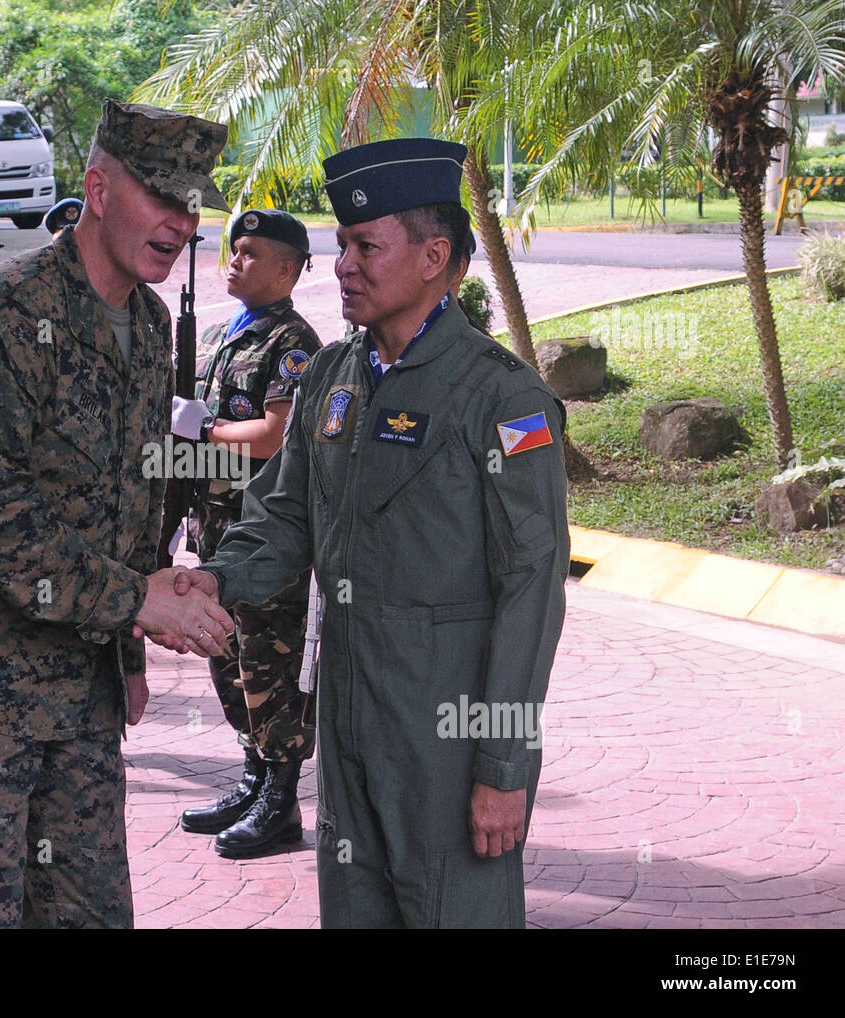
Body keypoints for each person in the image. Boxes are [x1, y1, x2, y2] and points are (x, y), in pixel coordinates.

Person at [0, 99, 236, 929]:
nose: (181, 223)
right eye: (163, 200)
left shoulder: (146, 322)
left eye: (191, 205)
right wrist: (132, 600)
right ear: (98, 189)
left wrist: (130, 648)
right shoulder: (1, 315)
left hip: (76, 700)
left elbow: (132, 494)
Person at [180, 137, 570, 927]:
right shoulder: (333, 375)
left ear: (434, 257)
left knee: (453, 911)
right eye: (342, 246)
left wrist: (503, 768)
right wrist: (212, 582)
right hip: (348, 709)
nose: (343, 266)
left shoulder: (502, 398)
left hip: (448, 728)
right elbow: (284, 517)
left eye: (365, 246)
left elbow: (532, 591)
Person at [170, 209, 322, 858]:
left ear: (287, 270)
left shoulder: (292, 343)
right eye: (233, 249)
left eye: (252, 252)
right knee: (226, 661)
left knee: (267, 666)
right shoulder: (217, 337)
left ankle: (280, 803)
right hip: (214, 530)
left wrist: (199, 434)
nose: (235, 260)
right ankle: (253, 778)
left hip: (262, 540)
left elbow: (274, 435)